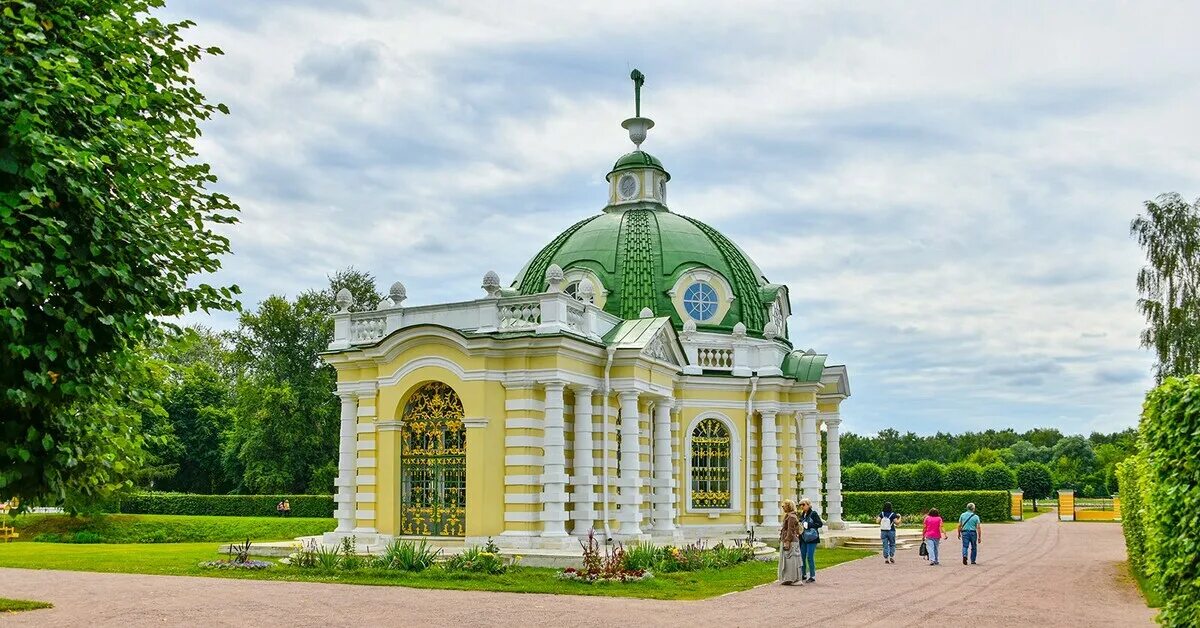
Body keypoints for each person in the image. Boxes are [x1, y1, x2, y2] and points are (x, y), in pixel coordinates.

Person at [798, 498, 824, 583]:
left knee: (809, 557)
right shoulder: (803, 514)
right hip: (803, 538)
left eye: (804, 504)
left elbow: (819, 524)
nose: (802, 506)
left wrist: (808, 524)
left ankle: (812, 576)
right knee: (802, 556)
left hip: (812, 538)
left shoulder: (813, 513)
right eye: (801, 505)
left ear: (808, 505)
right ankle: (803, 574)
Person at [778, 499, 802, 585]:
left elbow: (790, 530)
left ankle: (795, 579)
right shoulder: (789, 516)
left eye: (784, 506)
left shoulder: (791, 517)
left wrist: (787, 541)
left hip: (791, 541)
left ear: (789, 506)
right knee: (787, 561)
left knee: (792, 560)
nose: (783, 508)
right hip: (787, 540)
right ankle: (788, 578)